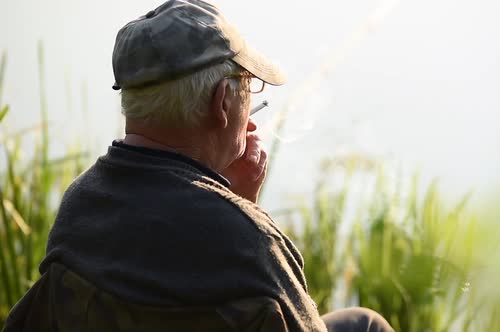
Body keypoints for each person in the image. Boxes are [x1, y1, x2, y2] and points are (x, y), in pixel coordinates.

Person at [3, 1, 394, 331]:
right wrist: (246, 214)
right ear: (223, 102)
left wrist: (233, 201)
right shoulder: (253, 246)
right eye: (246, 82)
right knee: (368, 325)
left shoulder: (80, 209)